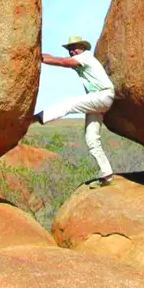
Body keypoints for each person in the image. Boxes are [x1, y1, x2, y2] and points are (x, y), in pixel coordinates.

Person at [34, 35, 115, 186]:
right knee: (92, 138)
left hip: (102, 96)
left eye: (74, 48)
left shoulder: (85, 56)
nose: (72, 52)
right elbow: (56, 57)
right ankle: (107, 175)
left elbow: (63, 62)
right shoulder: (80, 60)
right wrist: (37, 54)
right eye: (70, 49)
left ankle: (38, 118)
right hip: (97, 100)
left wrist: (39, 58)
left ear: (82, 48)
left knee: (68, 103)